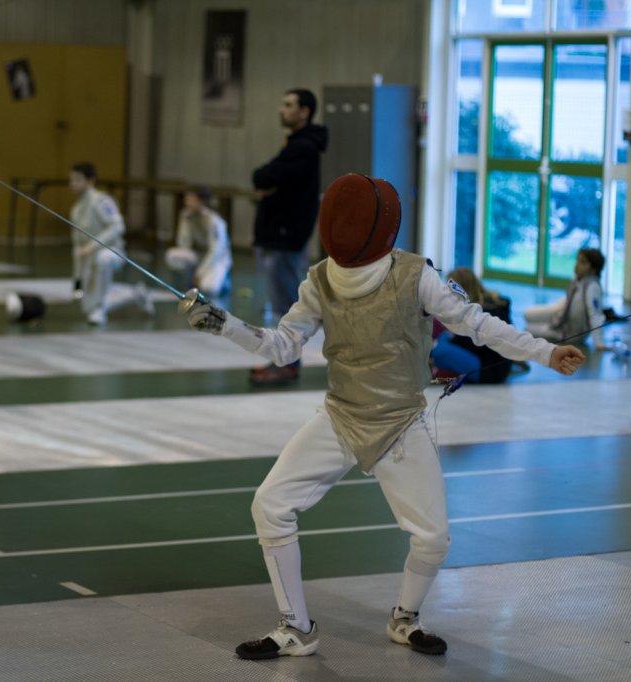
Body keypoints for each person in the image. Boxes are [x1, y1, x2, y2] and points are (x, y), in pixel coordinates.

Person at [179, 173, 584, 660]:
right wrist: (224, 324)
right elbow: (283, 346)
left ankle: (405, 618)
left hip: (400, 422)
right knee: (270, 505)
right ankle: (296, 628)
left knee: (434, 538)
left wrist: (544, 351)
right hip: (340, 416)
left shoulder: (416, 275)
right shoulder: (319, 280)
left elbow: (475, 323)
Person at [250, 88, 328, 386]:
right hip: (281, 234)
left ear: (304, 112)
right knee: (281, 303)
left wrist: (269, 186)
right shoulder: (297, 144)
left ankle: (288, 363)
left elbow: (263, 177)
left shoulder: (302, 148)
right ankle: (284, 359)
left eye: (288, 105)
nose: (281, 110)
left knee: (285, 307)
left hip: (285, 236)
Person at [69, 162, 153, 325]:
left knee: (103, 258)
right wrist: (77, 279)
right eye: (71, 180)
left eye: (77, 179)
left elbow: (117, 226)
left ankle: (100, 308)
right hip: (89, 260)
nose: (73, 184)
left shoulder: (102, 201)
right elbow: (77, 248)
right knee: (87, 307)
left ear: (90, 181)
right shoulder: (76, 209)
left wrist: (92, 246)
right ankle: (136, 293)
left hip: (112, 252)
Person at [430, 267, 514, 383]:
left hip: (489, 370)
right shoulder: (488, 304)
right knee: (441, 340)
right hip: (492, 364)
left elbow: (464, 343)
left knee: (440, 351)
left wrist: (444, 338)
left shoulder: (483, 311)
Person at [524, 248, 608, 350]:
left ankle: (551, 327)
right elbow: (568, 301)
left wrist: (598, 342)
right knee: (527, 314)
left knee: (528, 329)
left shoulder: (592, 286)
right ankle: (551, 321)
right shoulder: (578, 280)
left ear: (593, 269)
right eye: (577, 260)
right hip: (562, 318)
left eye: (582, 262)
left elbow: (595, 314)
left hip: (569, 333)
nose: (577, 265)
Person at [164, 186, 233, 300]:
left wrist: (199, 273)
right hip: (199, 254)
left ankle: (223, 279)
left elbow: (215, 252)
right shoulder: (187, 216)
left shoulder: (214, 221)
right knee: (172, 255)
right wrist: (186, 221)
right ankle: (189, 281)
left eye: (190, 198)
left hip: (217, 259)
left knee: (209, 288)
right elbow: (183, 243)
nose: (186, 201)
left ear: (201, 201)